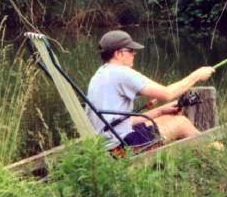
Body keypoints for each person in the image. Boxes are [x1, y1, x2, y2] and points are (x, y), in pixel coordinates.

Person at [86, 30, 215, 150]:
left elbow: (124, 122)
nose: (134, 54)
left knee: (168, 118)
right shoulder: (122, 73)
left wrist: (160, 111)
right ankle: (221, 153)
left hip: (108, 143)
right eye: (131, 50)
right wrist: (197, 75)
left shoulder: (100, 75)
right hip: (121, 146)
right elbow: (167, 93)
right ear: (119, 54)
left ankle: (212, 150)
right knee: (181, 123)